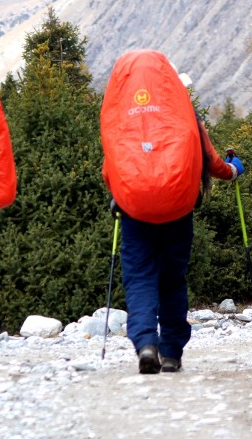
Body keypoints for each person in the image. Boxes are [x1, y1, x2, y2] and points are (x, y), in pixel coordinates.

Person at [102, 55, 243, 374]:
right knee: (172, 280)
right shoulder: (185, 115)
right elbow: (211, 160)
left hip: (135, 211)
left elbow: (110, 165)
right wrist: (234, 172)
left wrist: (118, 194)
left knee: (140, 278)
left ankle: (146, 344)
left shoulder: (124, 116)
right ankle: (172, 352)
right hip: (179, 208)